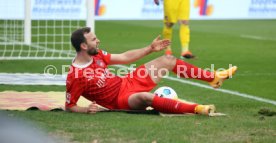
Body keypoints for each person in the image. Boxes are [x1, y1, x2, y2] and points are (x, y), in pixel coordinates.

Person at [65, 27, 237, 115]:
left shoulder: (97, 54)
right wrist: (86, 109)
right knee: (146, 97)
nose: (99, 41)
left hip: (127, 82)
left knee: (168, 60)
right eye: (94, 39)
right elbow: (70, 106)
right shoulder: (76, 76)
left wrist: (150, 48)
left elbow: (124, 57)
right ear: (83, 46)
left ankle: (213, 78)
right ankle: (197, 109)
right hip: (120, 100)